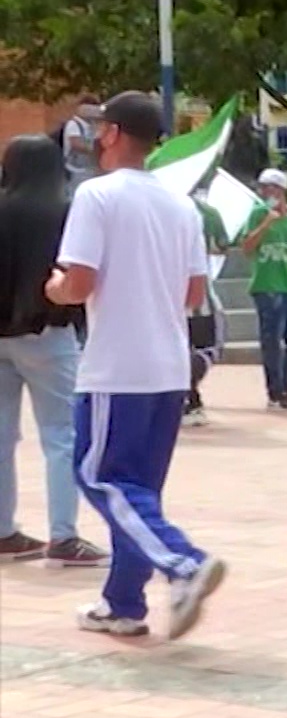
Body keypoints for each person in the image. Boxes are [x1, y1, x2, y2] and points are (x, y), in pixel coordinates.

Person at [46, 91, 226, 639]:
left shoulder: (96, 196)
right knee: (137, 489)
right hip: (169, 368)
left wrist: (54, 288)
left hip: (116, 368)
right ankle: (123, 602)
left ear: (113, 133)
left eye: (102, 128)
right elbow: (195, 293)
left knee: (100, 476)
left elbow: (78, 282)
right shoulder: (181, 205)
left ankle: (183, 562)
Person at [0, 134, 105, 566]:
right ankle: (63, 535)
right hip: (49, 332)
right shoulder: (64, 212)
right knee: (62, 436)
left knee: (2, 437)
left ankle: (4, 532)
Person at [241, 169, 287, 411]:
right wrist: (266, 222)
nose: (266, 192)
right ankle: (275, 392)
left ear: (282, 190)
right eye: (263, 188)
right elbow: (247, 247)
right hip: (266, 285)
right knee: (272, 340)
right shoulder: (257, 214)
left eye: (271, 188)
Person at [183, 192, 228, 428]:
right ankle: (188, 397)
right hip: (198, 300)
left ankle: (188, 397)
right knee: (209, 349)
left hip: (167, 299)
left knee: (183, 350)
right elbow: (222, 246)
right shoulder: (204, 212)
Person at [60, 96, 101, 188]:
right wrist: (95, 150)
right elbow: (76, 144)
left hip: (88, 169)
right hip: (74, 169)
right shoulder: (74, 124)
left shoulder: (93, 126)